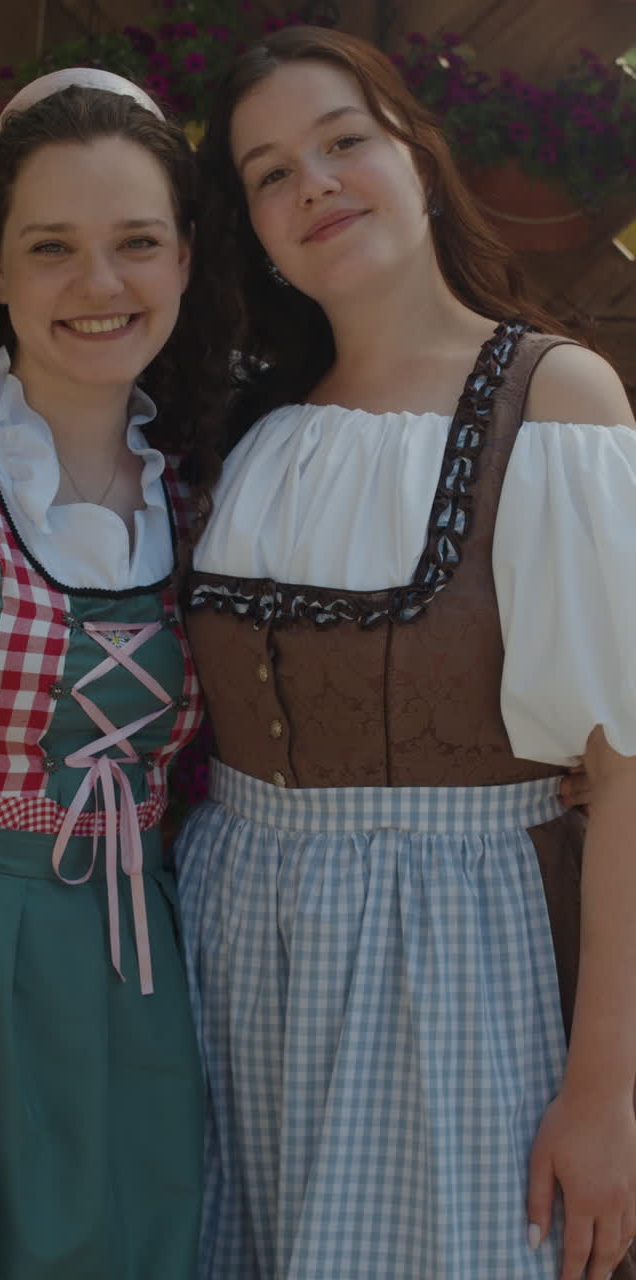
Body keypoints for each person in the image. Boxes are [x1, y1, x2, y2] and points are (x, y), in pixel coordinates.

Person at [173, 25, 636, 1280]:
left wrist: (607, 1094)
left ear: (416, 159)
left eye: (341, 142)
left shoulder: (558, 403)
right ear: (254, 228)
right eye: (270, 173)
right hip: (232, 952)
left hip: (458, 963)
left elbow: (628, 774)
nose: (312, 183)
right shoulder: (249, 423)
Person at [0, 69, 221, 1280]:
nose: (101, 285)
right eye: (53, 247)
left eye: (137, 243)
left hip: (129, 978)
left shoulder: (198, 485)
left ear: (187, 259)